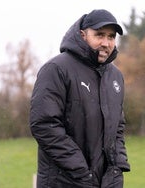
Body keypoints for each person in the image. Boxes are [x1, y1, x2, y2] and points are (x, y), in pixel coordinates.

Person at [29, 9, 130, 188]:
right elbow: (44, 125)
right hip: (65, 181)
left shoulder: (115, 77)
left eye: (111, 37)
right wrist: (81, 170)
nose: (106, 43)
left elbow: (118, 127)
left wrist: (117, 165)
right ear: (82, 35)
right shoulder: (57, 69)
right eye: (99, 35)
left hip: (107, 183)